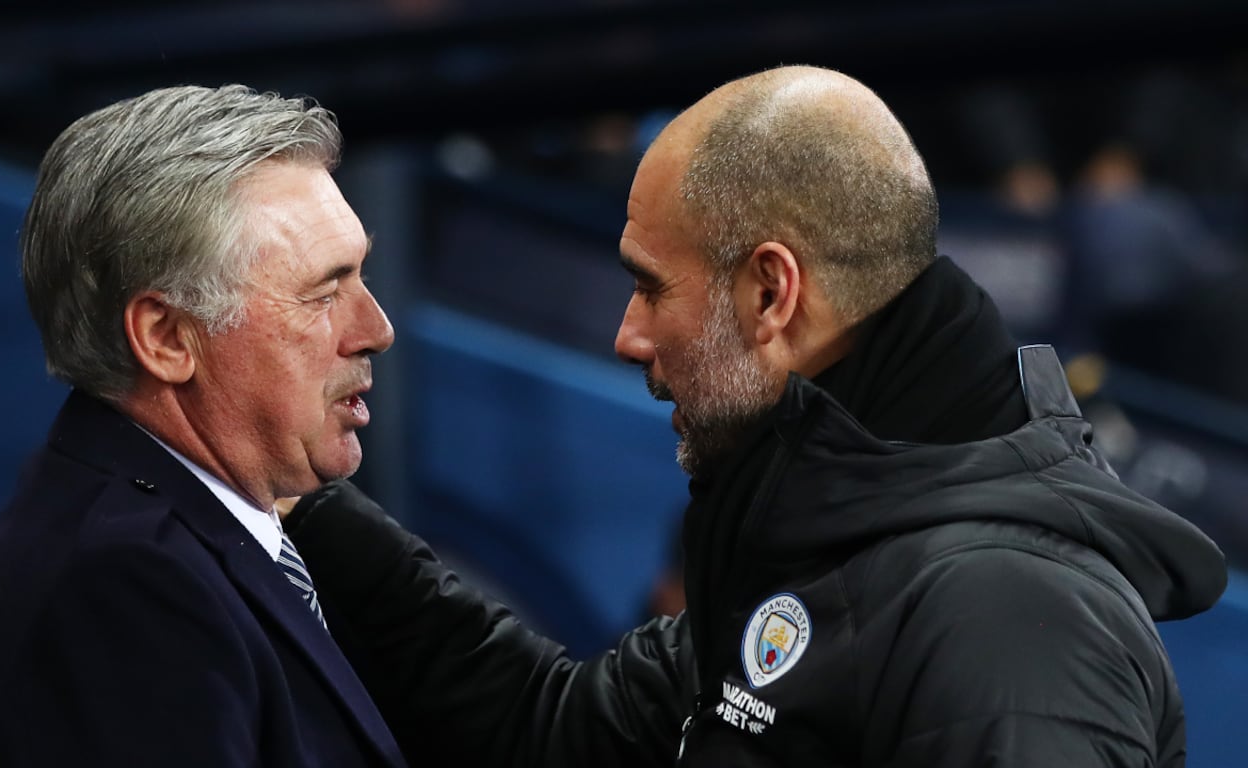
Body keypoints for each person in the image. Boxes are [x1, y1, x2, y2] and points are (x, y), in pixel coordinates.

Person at [282, 65, 1228, 767]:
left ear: (772, 292)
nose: (627, 335)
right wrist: (291, 493)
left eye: (651, 288)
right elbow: (559, 732)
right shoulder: (810, 524)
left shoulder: (1012, 620)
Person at [0, 84, 406, 767]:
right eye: (324, 291)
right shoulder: (129, 589)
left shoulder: (194, 526)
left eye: (364, 276)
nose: (376, 329)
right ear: (167, 337)